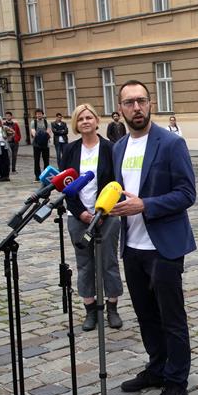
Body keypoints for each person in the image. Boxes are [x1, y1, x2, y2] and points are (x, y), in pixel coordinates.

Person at [112, 80, 197, 395]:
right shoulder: (117, 147)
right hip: (131, 245)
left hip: (164, 246)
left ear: (151, 104)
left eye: (141, 101)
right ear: (120, 108)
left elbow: (187, 194)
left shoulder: (170, 143)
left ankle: (177, 382)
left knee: (171, 318)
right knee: (146, 315)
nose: (136, 107)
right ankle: (157, 367)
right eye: (129, 102)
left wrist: (145, 205)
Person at [60, 104, 123, 332]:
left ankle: (112, 307)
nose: (85, 121)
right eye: (80, 119)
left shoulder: (110, 148)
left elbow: (117, 183)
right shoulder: (69, 150)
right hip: (78, 215)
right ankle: (90, 310)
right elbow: (66, 186)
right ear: (76, 124)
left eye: (89, 117)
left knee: (109, 262)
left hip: (107, 215)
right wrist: (81, 213)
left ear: (97, 121)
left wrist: (103, 211)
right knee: (84, 264)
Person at [30, 109, 51, 179]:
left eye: (40, 114)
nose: (39, 115)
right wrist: (37, 136)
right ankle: (37, 175)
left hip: (45, 144)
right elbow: (33, 131)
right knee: (36, 160)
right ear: (36, 115)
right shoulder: (33, 122)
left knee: (46, 160)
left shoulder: (46, 122)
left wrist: (44, 136)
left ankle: (46, 175)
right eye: (37, 114)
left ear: (42, 114)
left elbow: (48, 130)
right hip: (36, 144)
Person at [0, 116, 13, 181]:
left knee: (6, 161)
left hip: (4, 146)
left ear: (0, 121)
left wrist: (7, 138)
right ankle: (1, 175)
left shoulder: (4, 128)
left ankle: (6, 175)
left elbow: (12, 132)